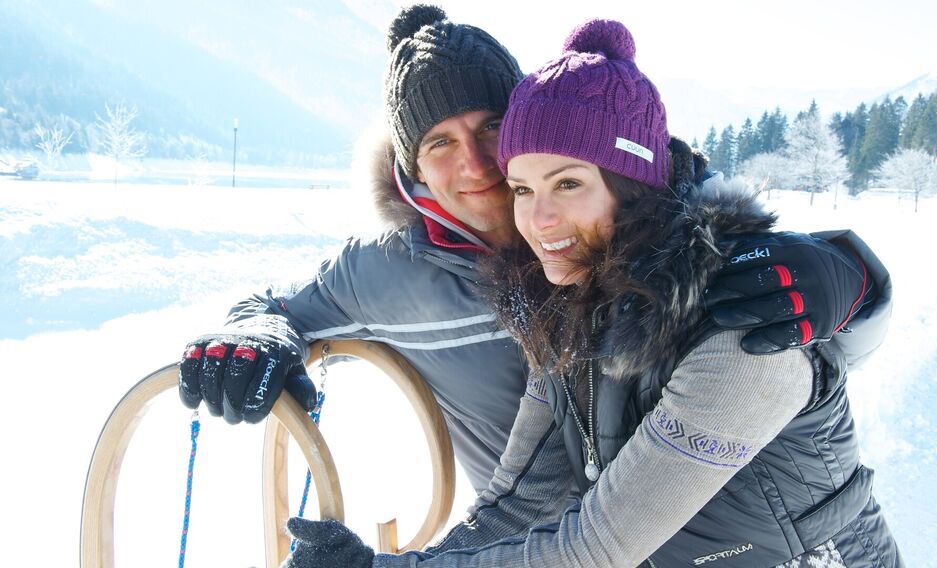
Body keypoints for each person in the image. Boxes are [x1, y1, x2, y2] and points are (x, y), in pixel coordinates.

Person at [177, 4, 891, 499]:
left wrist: (852, 281)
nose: (478, 164)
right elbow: (275, 308)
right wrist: (255, 332)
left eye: (491, 127)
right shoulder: (385, 272)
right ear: (413, 167)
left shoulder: (625, 220)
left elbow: (791, 337)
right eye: (439, 144)